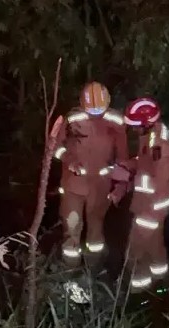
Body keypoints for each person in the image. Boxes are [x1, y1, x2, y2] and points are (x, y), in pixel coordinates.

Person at [50, 81, 129, 273]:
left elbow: (123, 158)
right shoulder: (71, 119)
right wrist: (69, 160)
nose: (95, 114)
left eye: (99, 110)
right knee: (71, 227)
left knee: (96, 229)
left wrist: (120, 186)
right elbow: (54, 146)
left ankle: (94, 270)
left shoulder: (116, 122)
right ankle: (70, 270)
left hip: (100, 186)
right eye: (91, 110)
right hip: (73, 185)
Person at [112, 97, 169, 292]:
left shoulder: (160, 145)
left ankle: (136, 290)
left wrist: (127, 176)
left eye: (135, 126)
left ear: (146, 123)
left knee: (135, 249)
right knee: (154, 243)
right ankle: (160, 280)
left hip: (153, 205)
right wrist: (129, 164)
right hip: (151, 201)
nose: (133, 130)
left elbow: (160, 178)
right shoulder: (152, 135)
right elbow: (145, 160)